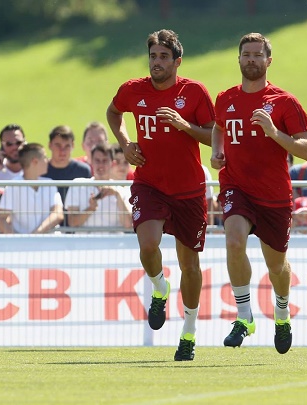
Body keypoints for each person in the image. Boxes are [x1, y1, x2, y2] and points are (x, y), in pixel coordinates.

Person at [106, 29, 215, 361]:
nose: (157, 62)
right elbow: (114, 112)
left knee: (190, 264)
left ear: (177, 61)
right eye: (153, 56)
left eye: (164, 57)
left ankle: (189, 332)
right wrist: (125, 144)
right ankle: (159, 288)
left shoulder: (194, 92)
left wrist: (184, 125)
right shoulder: (132, 89)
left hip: (189, 190)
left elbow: (214, 136)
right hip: (149, 183)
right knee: (148, 243)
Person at [211, 32, 307, 354]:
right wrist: (217, 151)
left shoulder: (284, 102)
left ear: (269, 61)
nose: (251, 59)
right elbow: (218, 127)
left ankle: (282, 315)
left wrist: (273, 131)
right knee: (233, 240)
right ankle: (244, 317)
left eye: (257, 54)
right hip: (236, 187)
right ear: (239, 59)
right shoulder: (225, 98)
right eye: (246, 54)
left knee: (277, 267)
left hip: (273, 195)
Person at [0, 143, 64, 234]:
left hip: (49, 243)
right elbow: (0, 219)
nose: (48, 160)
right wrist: (18, 239)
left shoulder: (49, 183)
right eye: (45, 157)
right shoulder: (13, 186)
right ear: (35, 161)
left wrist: (36, 233)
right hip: (23, 246)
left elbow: (58, 214)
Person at [65, 142, 132, 231]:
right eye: (97, 160)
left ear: (112, 163)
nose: (101, 165)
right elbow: (72, 222)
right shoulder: (78, 184)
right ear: (91, 162)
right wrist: (90, 209)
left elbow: (128, 224)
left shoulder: (122, 190)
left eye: (105, 161)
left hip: (113, 243)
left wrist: (117, 195)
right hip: (84, 243)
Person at [44, 125, 92, 211]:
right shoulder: (40, 170)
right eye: (58, 145)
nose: (62, 151)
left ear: (73, 146)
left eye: (67, 146)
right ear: (49, 145)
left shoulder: (83, 171)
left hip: (75, 222)